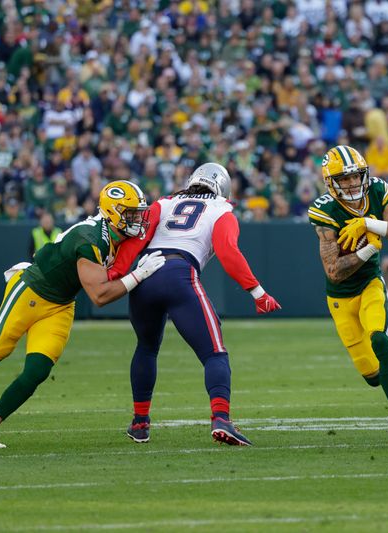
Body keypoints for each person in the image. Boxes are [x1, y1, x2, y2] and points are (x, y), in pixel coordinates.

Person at [0, 181, 165, 448]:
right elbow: (99, 296)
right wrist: (139, 274)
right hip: (33, 290)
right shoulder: (90, 239)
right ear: (112, 211)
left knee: (37, 371)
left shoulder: (117, 234)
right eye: (130, 212)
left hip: (61, 304)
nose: (136, 219)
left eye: (137, 212)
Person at [107, 163, 281, 446]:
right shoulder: (222, 209)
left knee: (147, 348)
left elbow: (136, 239)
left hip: (144, 276)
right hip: (179, 274)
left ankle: (140, 423)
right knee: (215, 354)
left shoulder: (164, 203)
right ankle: (221, 419)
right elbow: (228, 252)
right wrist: (258, 292)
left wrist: (116, 273)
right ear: (222, 188)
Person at [308, 144, 388, 445]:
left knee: (380, 339)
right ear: (331, 182)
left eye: (356, 176)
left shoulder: (378, 191)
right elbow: (334, 270)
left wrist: (370, 223)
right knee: (372, 375)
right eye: (344, 179)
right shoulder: (324, 210)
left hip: (370, 284)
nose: (353, 183)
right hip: (340, 298)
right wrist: (369, 248)